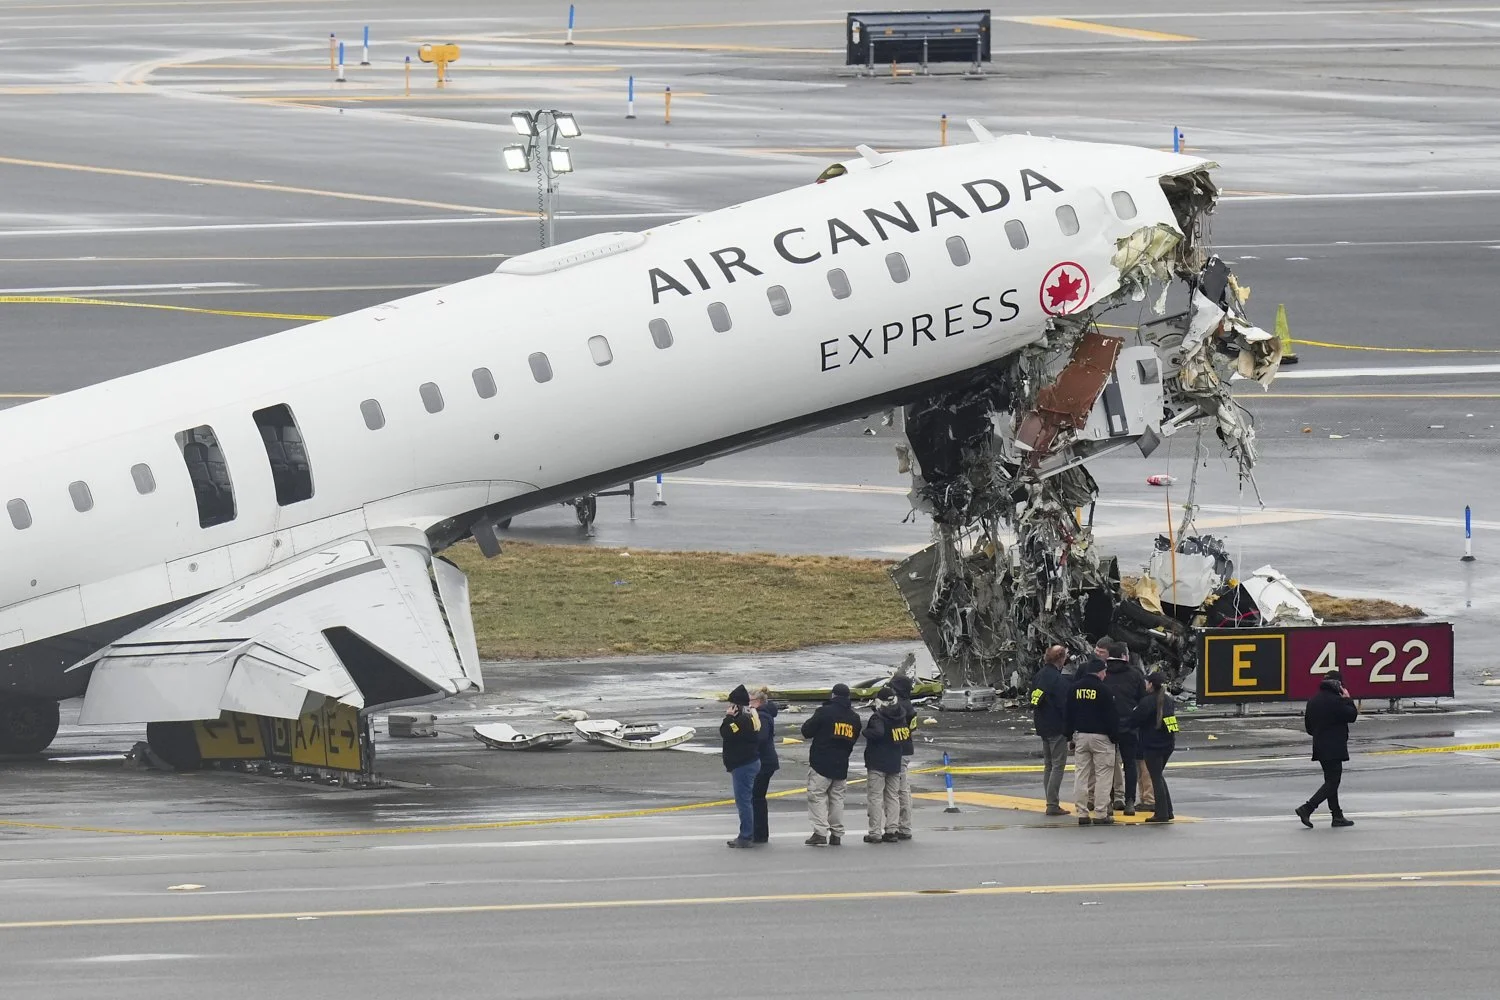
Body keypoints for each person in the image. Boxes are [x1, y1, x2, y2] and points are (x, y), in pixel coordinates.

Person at [800, 682, 861, 846]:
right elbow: (853, 739)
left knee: (817, 796)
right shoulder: (854, 718)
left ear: (833, 695)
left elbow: (806, 731)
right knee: (837, 799)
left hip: (821, 762)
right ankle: (836, 833)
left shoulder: (824, 712)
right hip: (841, 763)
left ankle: (820, 832)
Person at [1297, 670, 1358, 829]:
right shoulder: (1337, 701)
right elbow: (1352, 716)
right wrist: (1348, 699)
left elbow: (1309, 728)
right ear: (1338, 684)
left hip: (1319, 746)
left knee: (1330, 782)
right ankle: (1307, 808)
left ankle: (1337, 816)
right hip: (1335, 746)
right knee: (1332, 782)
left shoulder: (1313, 701)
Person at [1066, 658, 1118, 826]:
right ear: (1100, 672)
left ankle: (1082, 812)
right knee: (1103, 775)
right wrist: (1115, 737)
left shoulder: (1074, 688)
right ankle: (1101, 813)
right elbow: (1111, 717)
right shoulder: (1104, 690)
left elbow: (1068, 713)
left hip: (1081, 736)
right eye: (1104, 672)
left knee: (1081, 775)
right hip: (1102, 738)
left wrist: (1068, 736)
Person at [1101, 639, 1147, 815]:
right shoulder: (1135, 674)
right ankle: (1129, 801)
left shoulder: (1104, 673)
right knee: (1130, 765)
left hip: (1107, 727)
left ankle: (1109, 801)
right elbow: (1143, 700)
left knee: (1107, 766)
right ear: (1123, 656)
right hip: (1130, 726)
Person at [1130, 671, 1178, 823]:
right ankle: (1167, 810)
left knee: (1155, 778)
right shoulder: (1169, 701)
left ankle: (1161, 813)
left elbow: (1135, 720)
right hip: (1167, 744)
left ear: (1150, 684)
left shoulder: (1146, 702)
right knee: (1159, 776)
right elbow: (1172, 726)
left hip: (1151, 745)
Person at [1030, 645, 1072, 816]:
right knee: (1057, 766)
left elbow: (1034, 699)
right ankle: (1053, 804)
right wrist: (1070, 731)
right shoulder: (1058, 680)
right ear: (1060, 659)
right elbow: (1064, 706)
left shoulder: (1039, 675)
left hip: (1042, 725)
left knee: (1048, 765)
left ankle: (1050, 800)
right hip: (1056, 727)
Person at [720, 684, 762, 848]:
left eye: (731, 705)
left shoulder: (741, 720)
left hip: (743, 764)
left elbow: (726, 732)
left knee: (743, 801)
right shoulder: (751, 716)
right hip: (748, 762)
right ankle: (751, 833)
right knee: (747, 800)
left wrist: (728, 717)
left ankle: (745, 835)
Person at [863, 686, 906, 843]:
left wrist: (866, 732)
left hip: (878, 761)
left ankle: (875, 832)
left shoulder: (878, 717)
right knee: (893, 796)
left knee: (875, 797)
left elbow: (878, 733)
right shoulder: (901, 715)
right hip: (895, 759)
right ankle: (892, 829)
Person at [889, 674, 918, 840]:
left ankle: (904, 826)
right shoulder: (910, 707)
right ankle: (903, 825)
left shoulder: (899, 707)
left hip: (899, 751)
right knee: (902, 789)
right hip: (906, 748)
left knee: (900, 791)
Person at [749, 686, 779, 844]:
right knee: (757, 797)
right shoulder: (764, 714)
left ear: (759, 702)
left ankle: (759, 833)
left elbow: (761, 738)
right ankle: (759, 832)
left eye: (751, 701)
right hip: (766, 761)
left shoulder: (762, 716)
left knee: (757, 797)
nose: (749, 704)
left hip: (764, 762)